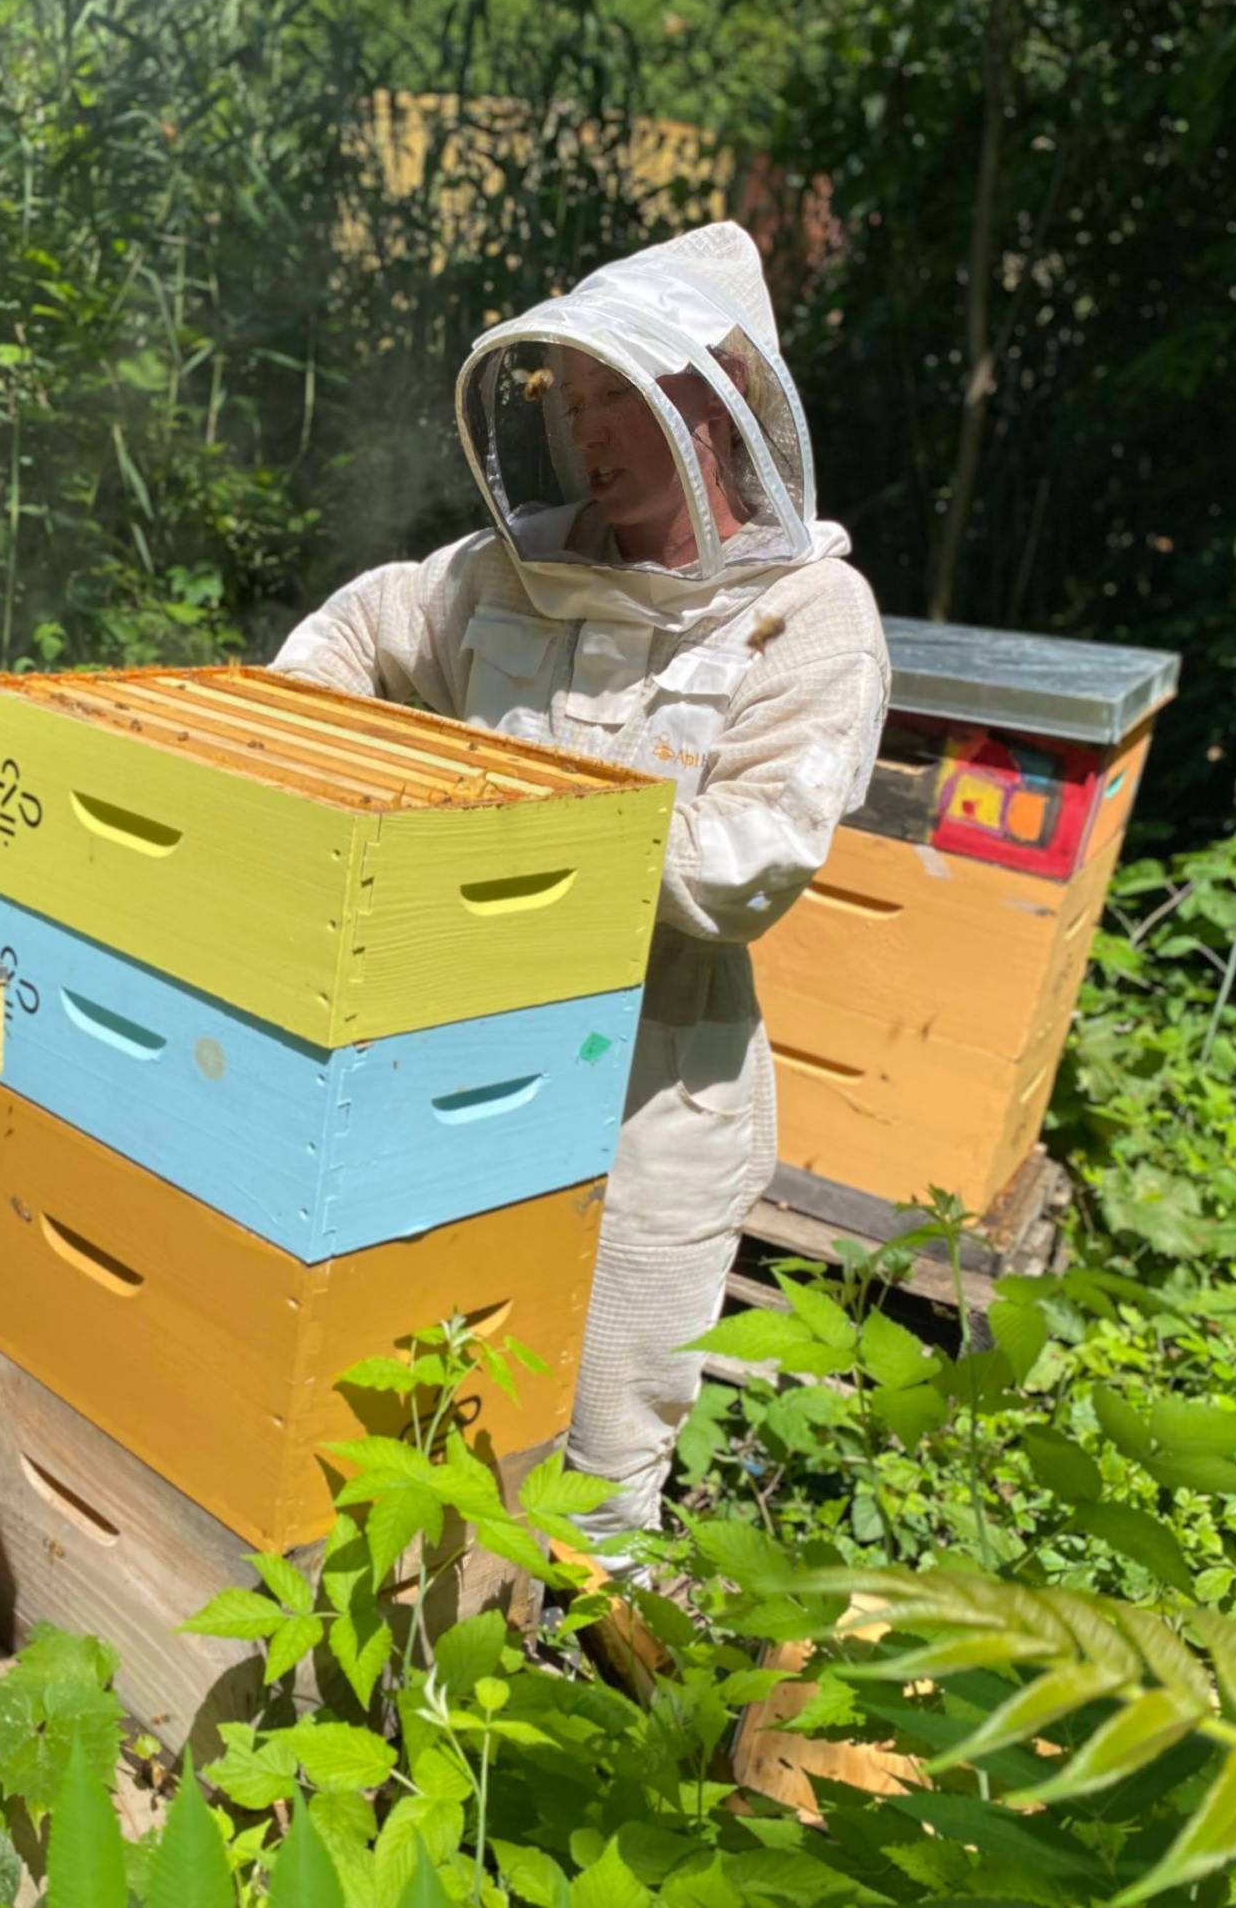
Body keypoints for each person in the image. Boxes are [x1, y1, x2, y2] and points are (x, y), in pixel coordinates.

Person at [270, 220, 890, 1563]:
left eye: (627, 397)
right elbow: (357, 632)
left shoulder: (807, 617)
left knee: (608, 1424)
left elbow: (750, 861)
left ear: (723, 398)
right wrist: (309, 757)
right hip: (458, 1047)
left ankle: (591, 1652)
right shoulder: (508, 572)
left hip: (652, 1082)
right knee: (427, 1372)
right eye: (578, 399)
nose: (593, 433)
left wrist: (503, 830)